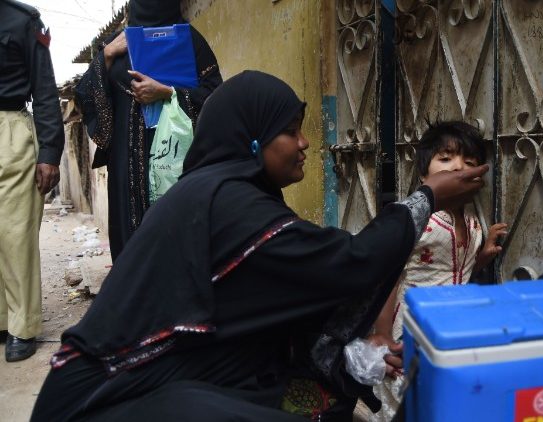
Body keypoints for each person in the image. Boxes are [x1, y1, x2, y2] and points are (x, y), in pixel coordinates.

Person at [30, 71, 488, 421]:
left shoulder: (221, 193)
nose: (306, 142)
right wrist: (427, 197)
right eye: (291, 130)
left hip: (144, 378)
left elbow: (277, 302)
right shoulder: (226, 203)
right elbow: (349, 263)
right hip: (101, 399)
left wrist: (352, 352)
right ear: (253, 136)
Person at [368, 121, 508, 421]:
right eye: (445, 159)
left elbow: (457, 268)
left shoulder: (470, 219)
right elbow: (388, 275)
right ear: (423, 175)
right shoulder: (417, 220)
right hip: (408, 325)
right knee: (405, 395)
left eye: (469, 162)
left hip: (453, 325)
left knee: (441, 395)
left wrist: (482, 255)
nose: (458, 167)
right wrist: (381, 333)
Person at [76, 0, 222, 260]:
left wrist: (167, 92)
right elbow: (85, 97)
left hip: (178, 162)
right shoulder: (116, 44)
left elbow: (216, 98)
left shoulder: (189, 40)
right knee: (132, 246)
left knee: (179, 240)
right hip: (128, 167)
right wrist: (106, 56)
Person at [0, 0, 64, 362]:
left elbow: (44, 89)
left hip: (10, 130)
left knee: (15, 233)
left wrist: (49, 152)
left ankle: (22, 325)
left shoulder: (23, 20)